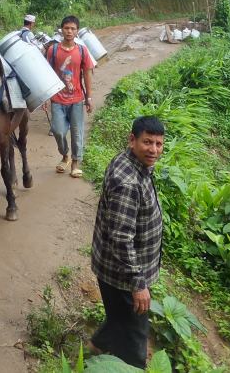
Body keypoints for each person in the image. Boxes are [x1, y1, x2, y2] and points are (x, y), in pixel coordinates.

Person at [89, 116, 165, 368]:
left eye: (158, 144)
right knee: (135, 335)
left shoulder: (130, 162)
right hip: (122, 274)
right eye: (147, 143)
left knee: (119, 317)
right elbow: (121, 239)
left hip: (114, 267)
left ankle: (99, 345)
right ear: (132, 140)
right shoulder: (128, 183)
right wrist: (138, 284)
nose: (153, 150)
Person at [44, 15, 95, 177]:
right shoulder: (53, 50)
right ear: (61, 30)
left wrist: (89, 98)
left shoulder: (81, 50)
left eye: (73, 28)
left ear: (77, 31)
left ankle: (75, 162)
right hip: (57, 99)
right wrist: (45, 97)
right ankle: (65, 155)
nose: (69, 31)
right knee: (58, 131)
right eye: (66, 28)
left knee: (76, 131)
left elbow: (87, 74)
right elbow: (46, 74)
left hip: (77, 99)